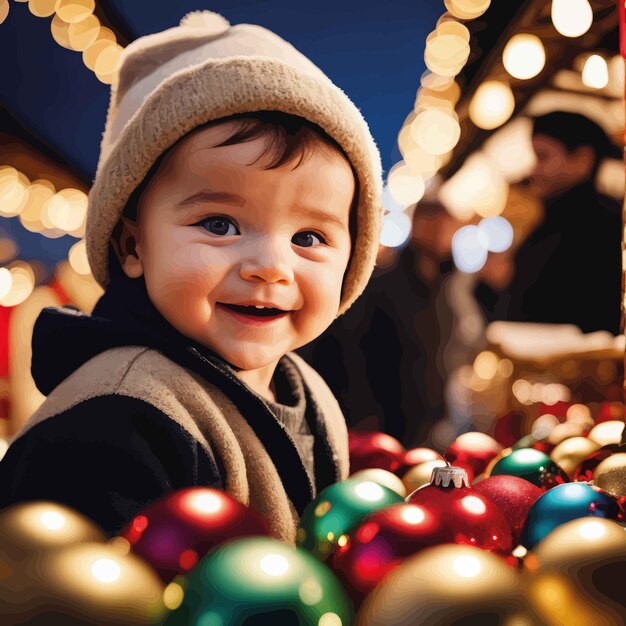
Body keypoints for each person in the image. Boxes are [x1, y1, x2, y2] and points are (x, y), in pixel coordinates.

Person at [0, 11, 383, 543]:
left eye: (309, 238)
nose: (270, 265)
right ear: (134, 246)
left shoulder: (307, 389)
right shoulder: (117, 422)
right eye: (220, 224)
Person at [478, 111, 622, 335]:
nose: (532, 169)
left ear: (582, 160)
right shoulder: (552, 221)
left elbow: (573, 315)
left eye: (543, 156)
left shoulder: (602, 224)